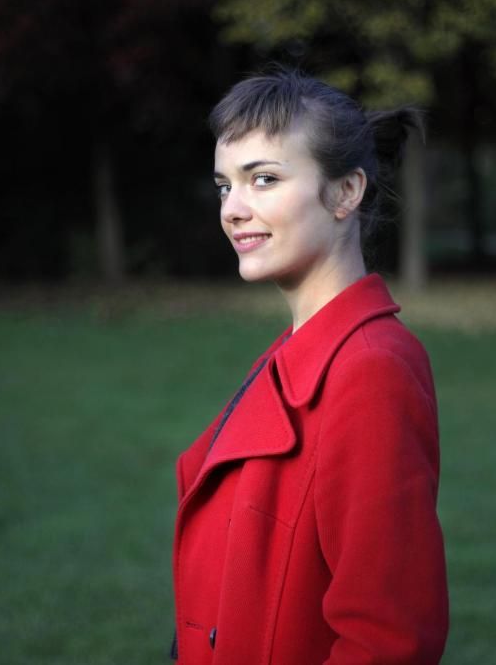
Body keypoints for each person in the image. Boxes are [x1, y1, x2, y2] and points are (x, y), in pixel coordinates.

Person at [171, 69, 449, 664]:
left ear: (346, 192)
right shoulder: (296, 352)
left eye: (263, 179)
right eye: (224, 186)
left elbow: (388, 640)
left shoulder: (370, 370)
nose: (233, 210)